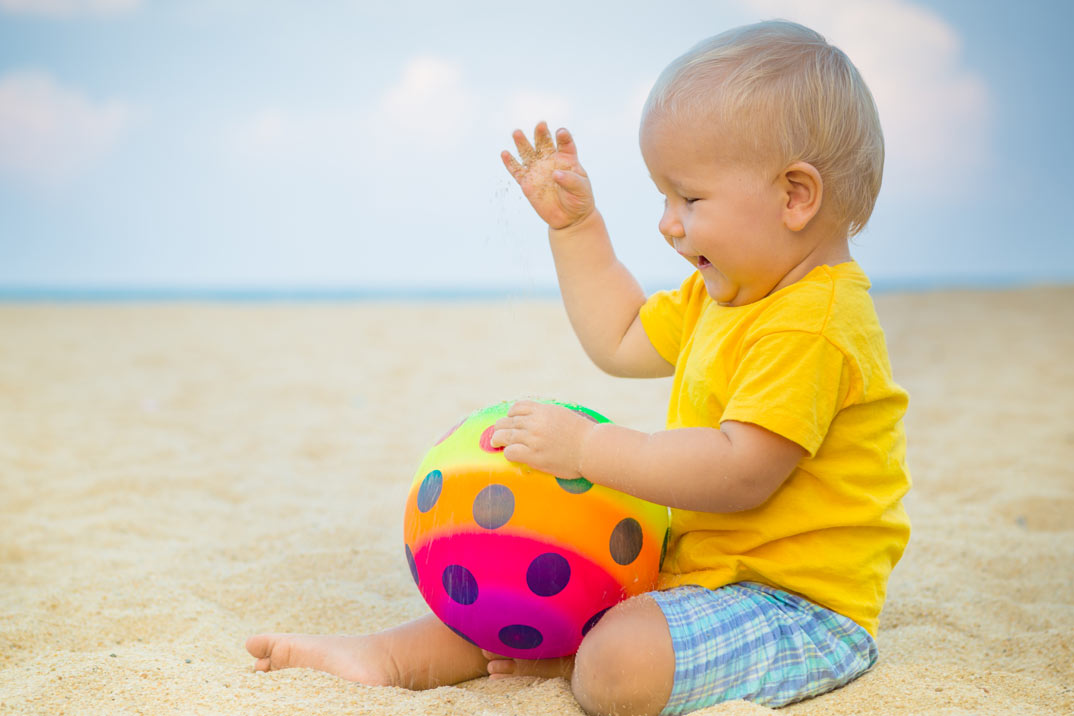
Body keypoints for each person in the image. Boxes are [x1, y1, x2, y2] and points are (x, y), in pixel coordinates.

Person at [246, 20, 911, 716]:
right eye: (662, 198)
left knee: (618, 663)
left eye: (689, 198)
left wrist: (589, 448)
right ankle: (386, 655)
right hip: (700, 577)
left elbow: (741, 469)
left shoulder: (814, 320)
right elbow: (620, 337)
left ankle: (570, 660)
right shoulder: (731, 294)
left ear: (794, 196)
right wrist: (576, 230)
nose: (667, 223)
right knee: (533, 577)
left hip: (798, 608)